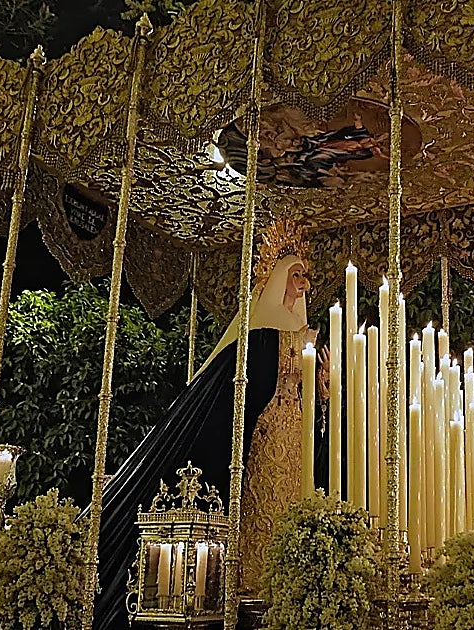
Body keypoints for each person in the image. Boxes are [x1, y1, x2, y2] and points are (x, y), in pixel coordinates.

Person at [91, 220, 324, 630]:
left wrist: (322, 388)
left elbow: (310, 388)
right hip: (266, 433)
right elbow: (247, 383)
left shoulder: (303, 334)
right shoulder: (261, 333)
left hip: (297, 433)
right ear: (276, 280)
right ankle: (251, 586)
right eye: (296, 275)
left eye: (306, 276)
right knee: (262, 502)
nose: (304, 284)